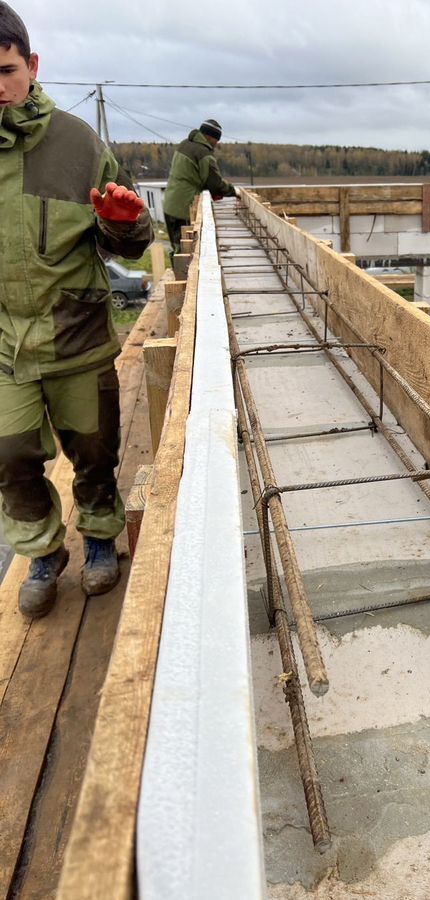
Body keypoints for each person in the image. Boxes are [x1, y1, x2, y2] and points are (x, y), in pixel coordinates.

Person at [0, 2, 154, 618]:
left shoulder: (78, 144)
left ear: (31, 65)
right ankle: (42, 551)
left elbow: (133, 242)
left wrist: (125, 225)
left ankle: (98, 539)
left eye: (5, 70)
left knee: (94, 450)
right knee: (10, 457)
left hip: (77, 339)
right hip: (5, 349)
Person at [163, 118, 236, 255]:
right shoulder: (203, 153)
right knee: (187, 252)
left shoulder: (184, 144)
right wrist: (234, 191)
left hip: (170, 203)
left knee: (177, 248)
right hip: (184, 208)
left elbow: (195, 176)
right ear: (209, 136)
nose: (216, 143)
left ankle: (178, 272)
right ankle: (183, 275)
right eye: (216, 139)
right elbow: (215, 184)